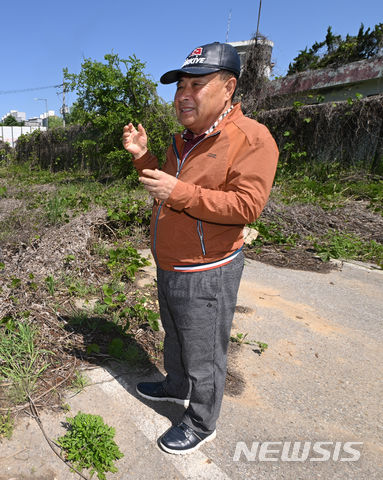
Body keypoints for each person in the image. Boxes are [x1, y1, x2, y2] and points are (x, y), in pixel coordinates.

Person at [121, 42, 278, 455]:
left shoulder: (252, 138)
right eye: (179, 86)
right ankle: (174, 386)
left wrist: (180, 191)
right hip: (170, 263)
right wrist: (143, 157)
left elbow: (248, 205)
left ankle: (202, 420)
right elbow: (165, 186)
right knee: (174, 334)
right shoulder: (183, 141)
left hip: (208, 269)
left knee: (204, 351)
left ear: (228, 87)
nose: (183, 95)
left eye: (196, 84)